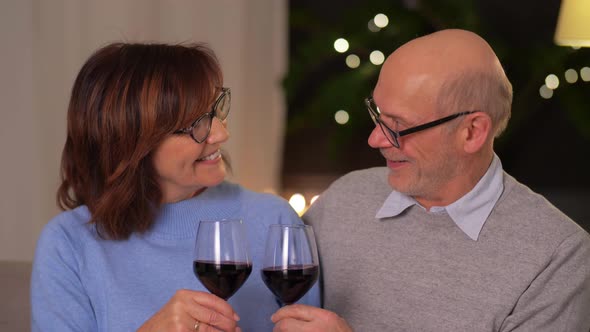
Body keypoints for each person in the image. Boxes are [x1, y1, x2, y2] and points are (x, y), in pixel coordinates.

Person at [271, 29, 590, 331]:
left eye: (397, 126)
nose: (374, 139)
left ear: (472, 132)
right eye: (377, 115)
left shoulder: (558, 257)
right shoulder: (345, 199)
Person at [30, 42, 319, 332]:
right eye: (196, 124)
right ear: (130, 143)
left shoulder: (274, 220)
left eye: (217, 110)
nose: (221, 133)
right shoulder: (68, 243)